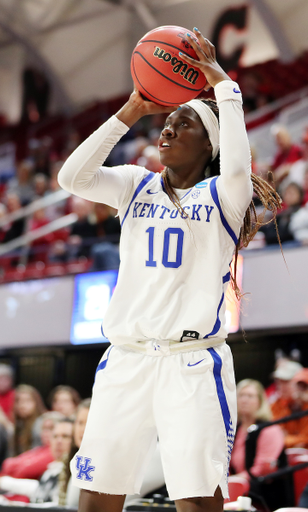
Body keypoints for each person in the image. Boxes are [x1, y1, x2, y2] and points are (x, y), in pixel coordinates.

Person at [57, 27, 280, 512]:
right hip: (127, 357)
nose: (167, 130)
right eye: (167, 123)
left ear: (210, 145)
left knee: (197, 502)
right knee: (94, 497)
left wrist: (223, 84)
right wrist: (132, 110)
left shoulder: (222, 195)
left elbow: (240, 166)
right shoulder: (135, 185)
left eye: (184, 125)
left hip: (192, 362)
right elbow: (71, 177)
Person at [0, 418, 73, 504]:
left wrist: (1, 482)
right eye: (55, 436)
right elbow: (39, 490)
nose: (58, 441)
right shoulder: (50, 470)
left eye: (65, 436)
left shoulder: (72, 472)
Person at [230, 379, 290, 510]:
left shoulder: (270, 430)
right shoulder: (235, 428)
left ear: (260, 401)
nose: (244, 400)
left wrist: (233, 481)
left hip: (265, 496)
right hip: (240, 491)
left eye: (250, 396)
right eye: (241, 395)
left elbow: (262, 469)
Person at [1, 411, 65, 480]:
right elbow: (7, 463)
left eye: (50, 428)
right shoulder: (39, 449)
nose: (46, 432)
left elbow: (24, 471)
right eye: (44, 428)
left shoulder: (55, 452)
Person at [13, 384, 46, 455]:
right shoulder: (18, 425)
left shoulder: (41, 423)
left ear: (36, 403)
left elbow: (37, 454)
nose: (22, 405)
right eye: (18, 401)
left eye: (27, 400)